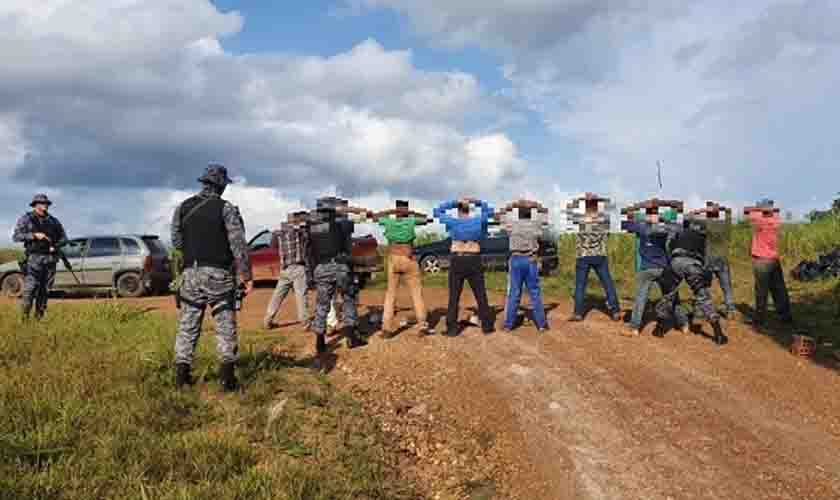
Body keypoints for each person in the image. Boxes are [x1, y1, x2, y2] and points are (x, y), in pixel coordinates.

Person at [171, 164, 253, 391]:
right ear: (221, 186)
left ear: (204, 183)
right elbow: (238, 243)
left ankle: (181, 377)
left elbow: (177, 242)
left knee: (188, 325)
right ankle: (227, 379)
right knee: (225, 325)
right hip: (219, 274)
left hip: (190, 274)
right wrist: (246, 274)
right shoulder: (226, 209)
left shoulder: (182, 208)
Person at [307, 202, 370, 368]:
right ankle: (351, 337)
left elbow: (309, 251)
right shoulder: (342, 225)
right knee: (349, 298)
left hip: (321, 267)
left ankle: (320, 342)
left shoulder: (312, 228)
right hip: (339, 267)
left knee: (322, 305)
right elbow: (361, 216)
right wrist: (345, 210)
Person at [654, 215, 727, 345]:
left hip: (676, 262)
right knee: (703, 297)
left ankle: (659, 329)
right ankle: (719, 334)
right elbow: (706, 258)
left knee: (668, 295)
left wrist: (673, 260)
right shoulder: (702, 237)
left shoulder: (678, 233)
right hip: (694, 265)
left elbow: (668, 246)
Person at [621, 204, 687, 337]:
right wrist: (663, 212)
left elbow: (624, 220)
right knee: (672, 297)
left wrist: (642, 205)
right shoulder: (664, 228)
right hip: (663, 267)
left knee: (641, 298)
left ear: (647, 214)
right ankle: (684, 324)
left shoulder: (641, 226)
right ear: (658, 214)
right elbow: (679, 219)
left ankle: (634, 328)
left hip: (646, 268)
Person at [433, 197, 495, 336]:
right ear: (469, 210)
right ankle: (487, 326)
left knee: (454, 296)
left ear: (458, 210)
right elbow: (490, 211)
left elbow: (436, 211)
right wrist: (477, 201)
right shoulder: (478, 221)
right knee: (480, 294)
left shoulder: (453, 222)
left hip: (457, 259)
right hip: (474, 259)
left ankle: (451, 329)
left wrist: (454, 202)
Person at [373, 200, 432, 339]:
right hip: (408, 259)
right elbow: (427, 219)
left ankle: (386, 329)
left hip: (393, 260)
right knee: (416, 293)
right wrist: (411, 213)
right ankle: (422, 324)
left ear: (396, 209)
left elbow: (374, 217)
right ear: (406, 210)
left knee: (390, 294)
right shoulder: (411, 221)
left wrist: (390, 212)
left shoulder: (389, 222)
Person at [566, 193, 621, 322]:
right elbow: (608, 232)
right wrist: (599, 199)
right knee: (607, 283)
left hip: (583, 256)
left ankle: (578, 313)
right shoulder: (603, 219)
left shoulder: (580, 219)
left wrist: (579, 199)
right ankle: (615, 311)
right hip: (600, 255)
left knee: (580, 285)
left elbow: (568, 210)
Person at [12, 194, 67, 320]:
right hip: (34, 259)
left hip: (50, 259)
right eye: (42, 203)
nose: (45, 205)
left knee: (45, 290)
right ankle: (24, 318)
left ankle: (39, 319)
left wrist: (56, 245)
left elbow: (64, 239)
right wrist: (34, 235)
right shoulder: (26, 219)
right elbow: (16, 236)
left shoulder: (54, 221)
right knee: (30, 289)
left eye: (46, 203)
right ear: (35, 205)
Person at [500, 199, 550, 332]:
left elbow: (500, 215)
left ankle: (508, 325)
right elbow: (545, 214)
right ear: (531, 213)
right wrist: (536, 204)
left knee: (514, 293)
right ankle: (541, 324)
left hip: (516, 259)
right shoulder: (535, 224)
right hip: (531, 259)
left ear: (518, 214)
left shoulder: (512, 225)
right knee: (534, 292)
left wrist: (511, 205)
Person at [745, 199, 793, 329]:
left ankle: (759, 319)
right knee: (779, 288)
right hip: (773, 259)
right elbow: (775, 212)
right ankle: (785, 316)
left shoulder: (758, 218)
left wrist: (758, 208)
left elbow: (746, 209)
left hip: (761, 260)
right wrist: (772, 209)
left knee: (761, 291)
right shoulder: (776, 220)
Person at [263, 211, 311, 330]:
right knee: (301, 295)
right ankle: (304, 322)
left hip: (284, 269)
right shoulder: (299, 232)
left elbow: (272, 246)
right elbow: (308, 239)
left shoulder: (278, 233)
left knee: (277, 295)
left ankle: (267, 320)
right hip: (298, 267)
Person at [692, 203, 736, 317]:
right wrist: (722, 208)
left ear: (708, 212)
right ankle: (730, 309)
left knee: (703, 286)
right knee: (726, 287)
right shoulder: (725, 224)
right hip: (722, 259)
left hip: (709, 260)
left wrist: (703, 209)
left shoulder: (707, 223)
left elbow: (691, 216)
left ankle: (700, 309)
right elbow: (729, 211)